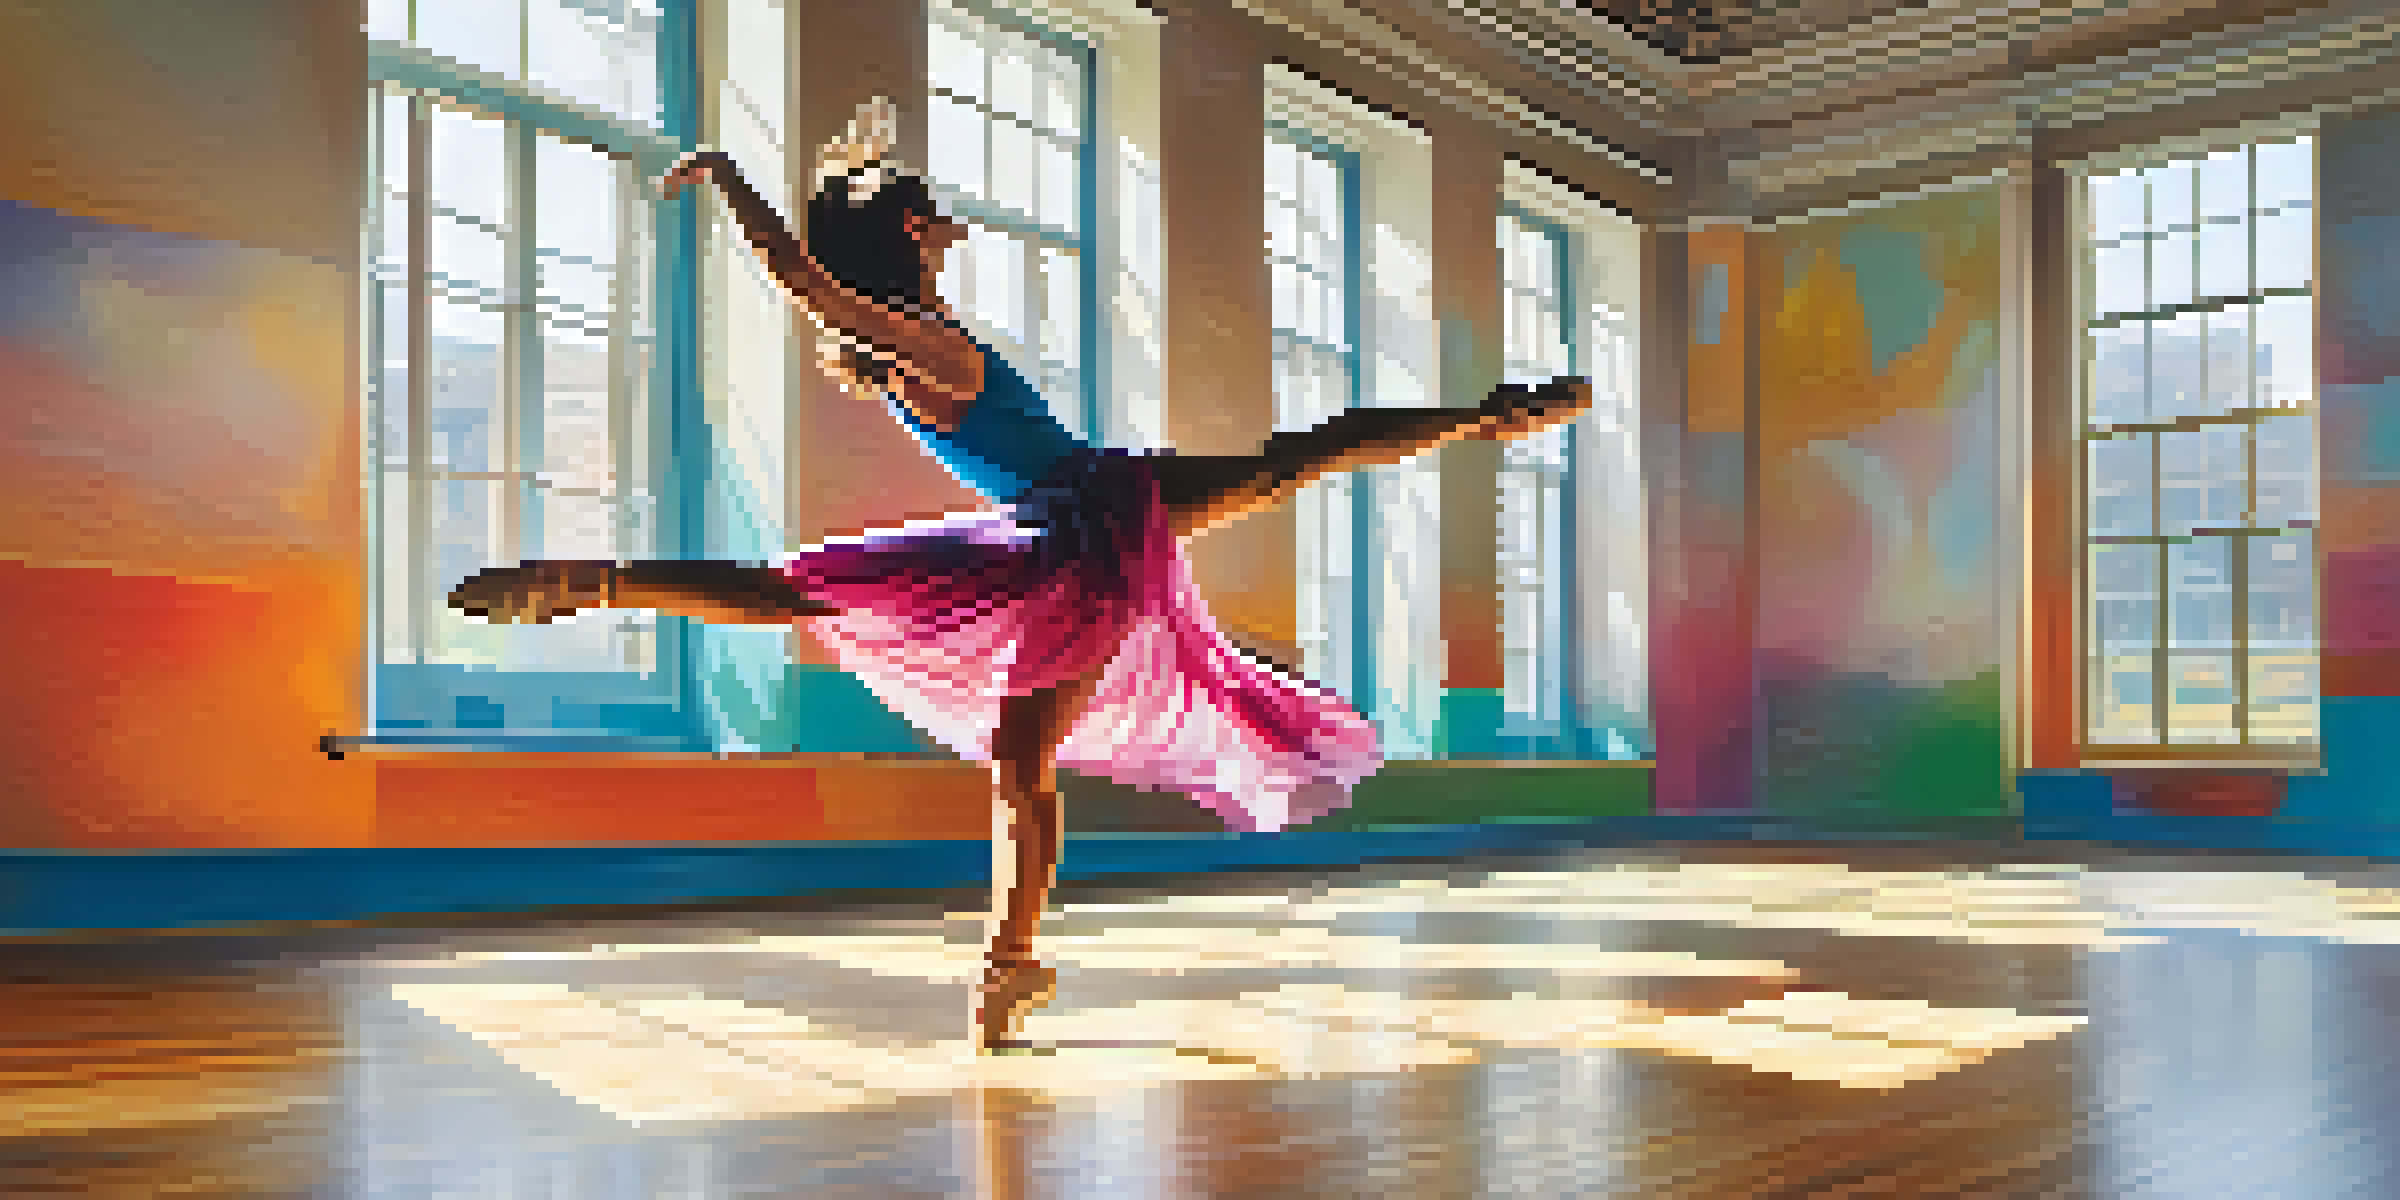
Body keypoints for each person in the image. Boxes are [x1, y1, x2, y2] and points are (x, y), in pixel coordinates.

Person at [451, 98, 1590, 1050]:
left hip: (1057, 536)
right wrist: (728, 177)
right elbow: (801, 276)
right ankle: (1488, 419)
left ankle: (1005, 966)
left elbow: (821, 286)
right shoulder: (923, 345)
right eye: (928, 206)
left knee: (901, 665)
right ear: (907, 224)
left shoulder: (911, 345)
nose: (947, 216)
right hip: (1092, 510)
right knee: (1291, 465)